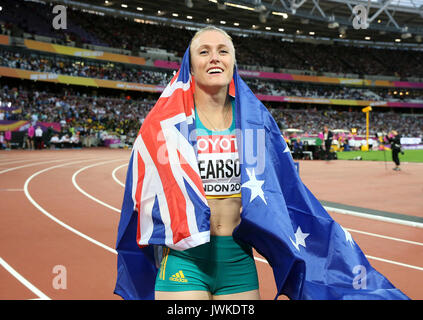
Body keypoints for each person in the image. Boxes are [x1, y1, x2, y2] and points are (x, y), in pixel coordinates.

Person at [153, 27, 259, 300]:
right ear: (190, 66)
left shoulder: (254, 123)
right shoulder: (170, 124)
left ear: (232, 62)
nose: (215, 58)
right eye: (204, 52)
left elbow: (278, 188)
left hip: (238, 259)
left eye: (223, 51)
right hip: (185, 257)